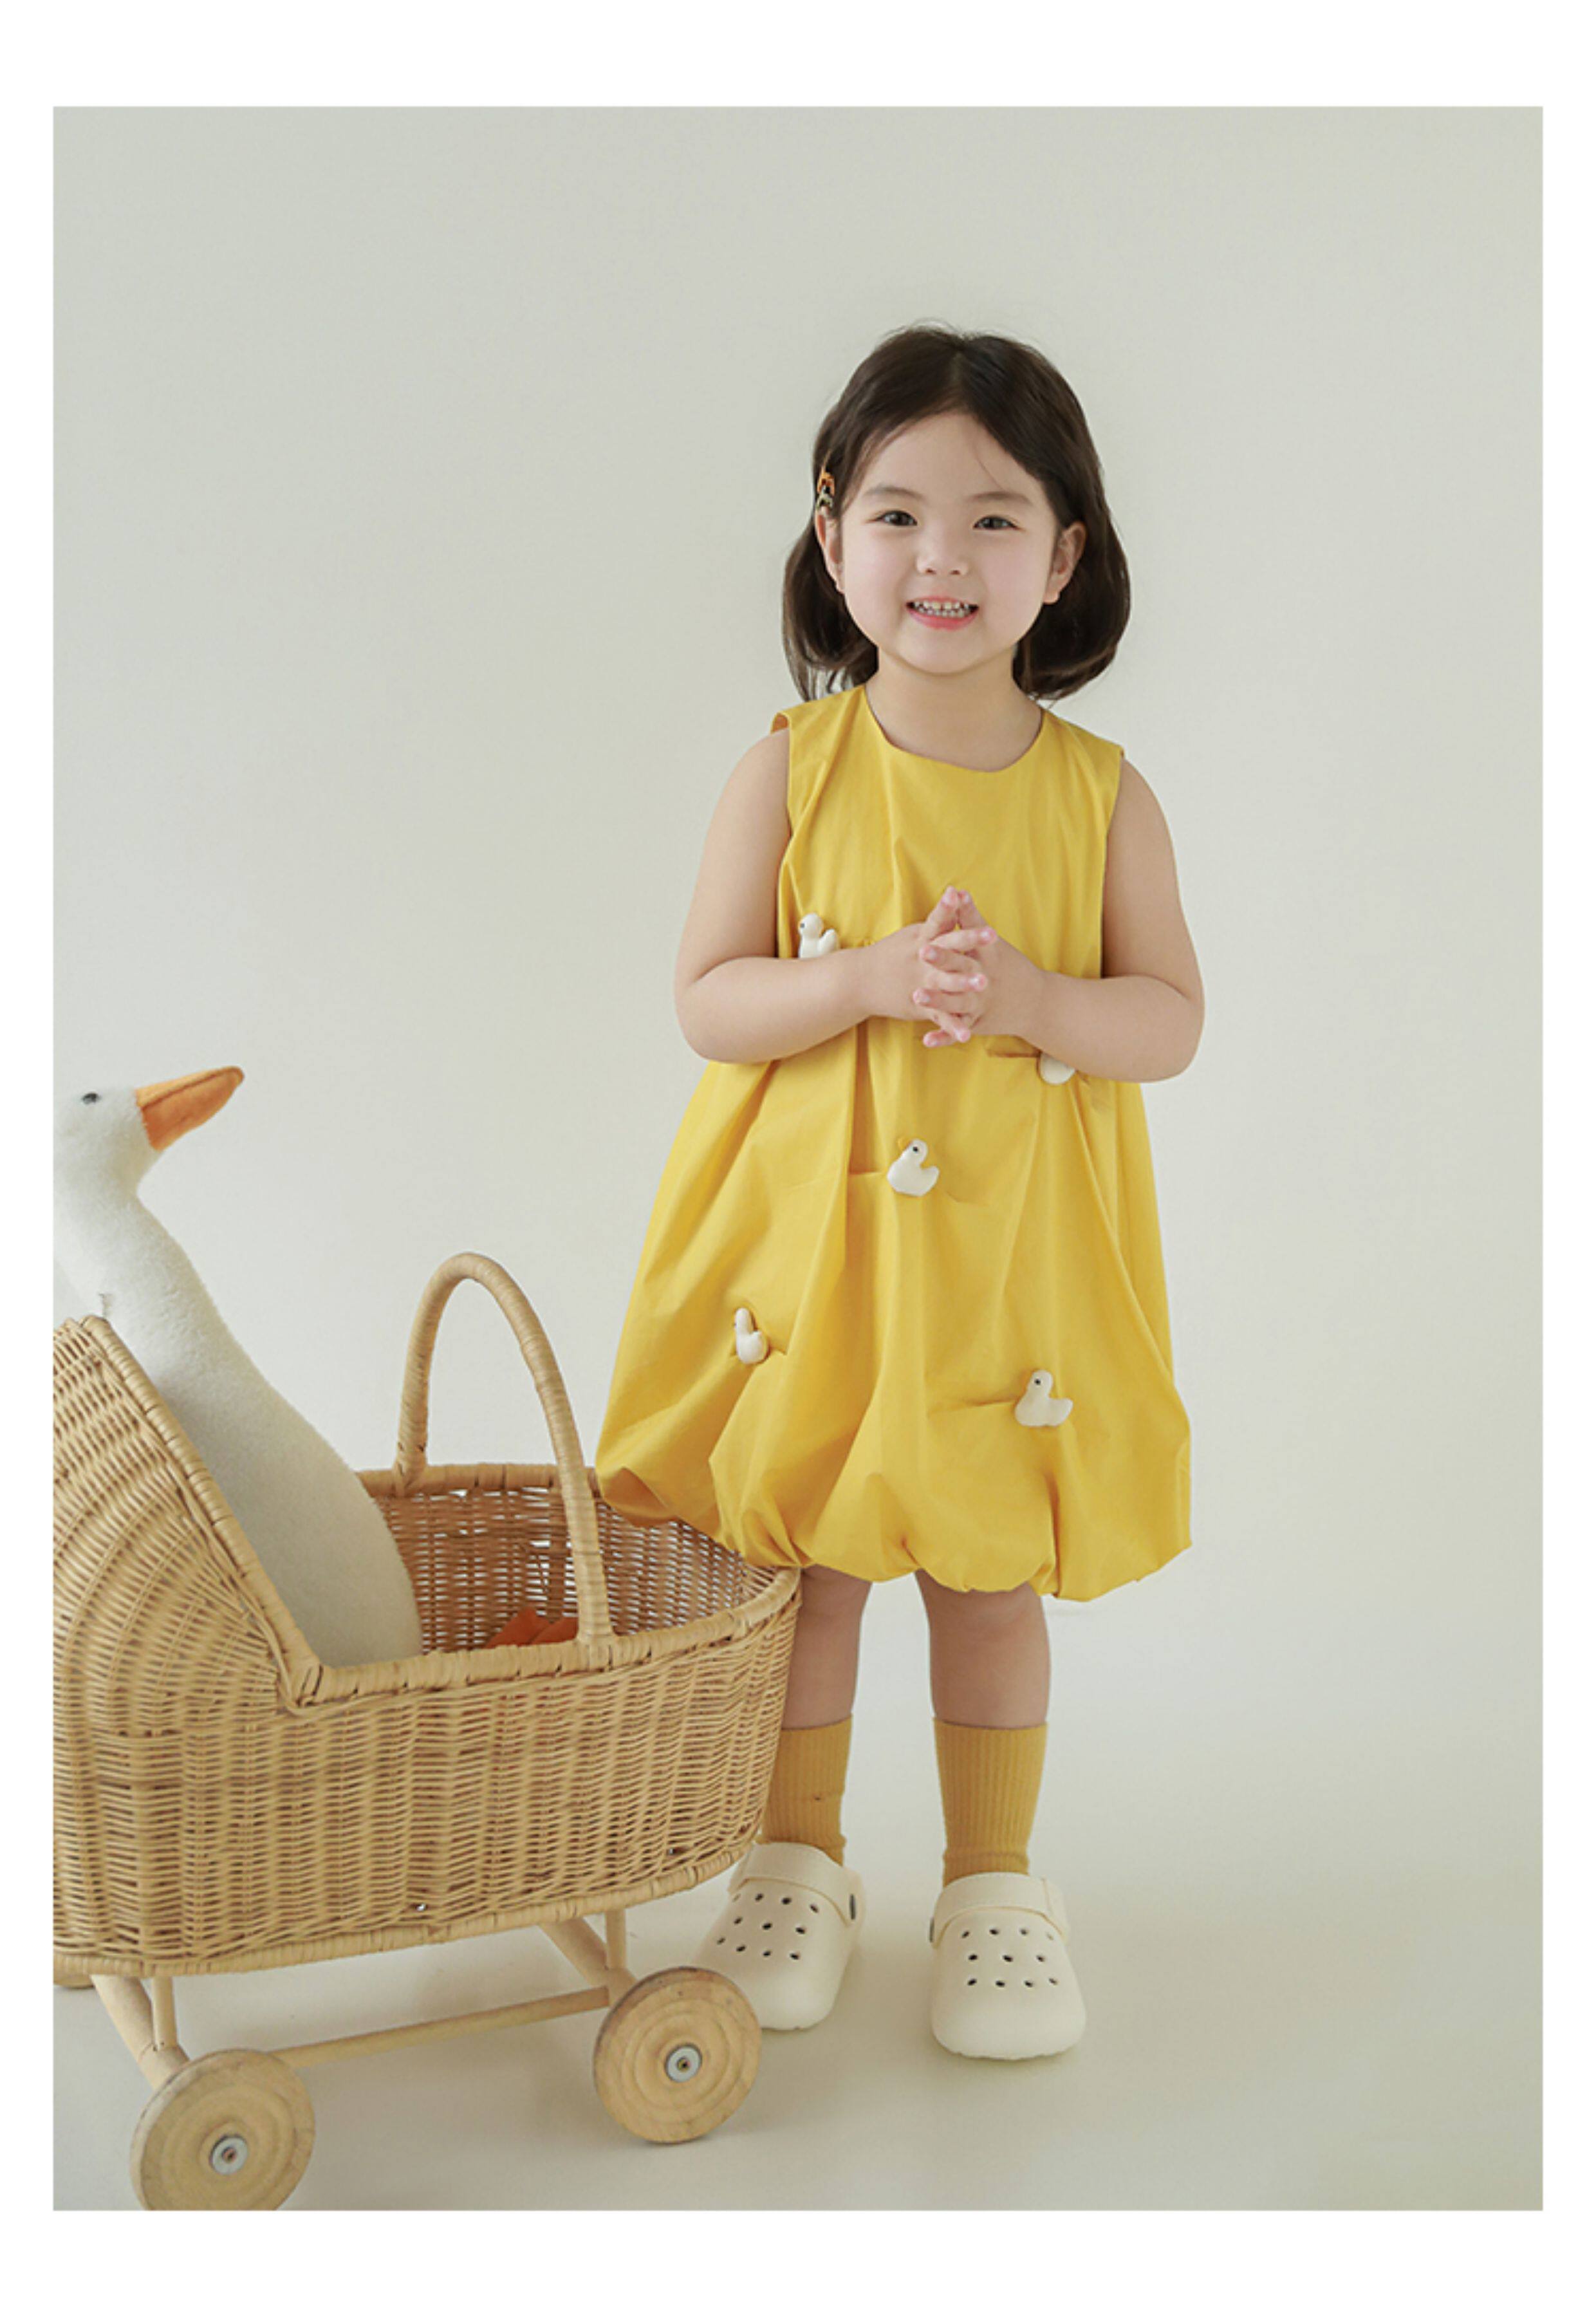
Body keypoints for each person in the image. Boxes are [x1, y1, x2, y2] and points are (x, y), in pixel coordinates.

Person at [594, 323, 1204, 2062]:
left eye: (996, 519)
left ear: (1064, 557)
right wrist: (859, 979)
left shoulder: (1101, 798)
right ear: (832, 530)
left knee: (986, 1573)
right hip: (820, 1258)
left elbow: (1169, 1020)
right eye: (899, 514)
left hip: (1010, 1268)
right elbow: (710, 997)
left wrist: (1035, 1000)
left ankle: (995, 1882)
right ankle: (796, 1860)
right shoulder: (791, 769)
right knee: (809, 1567)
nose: (944, 557)